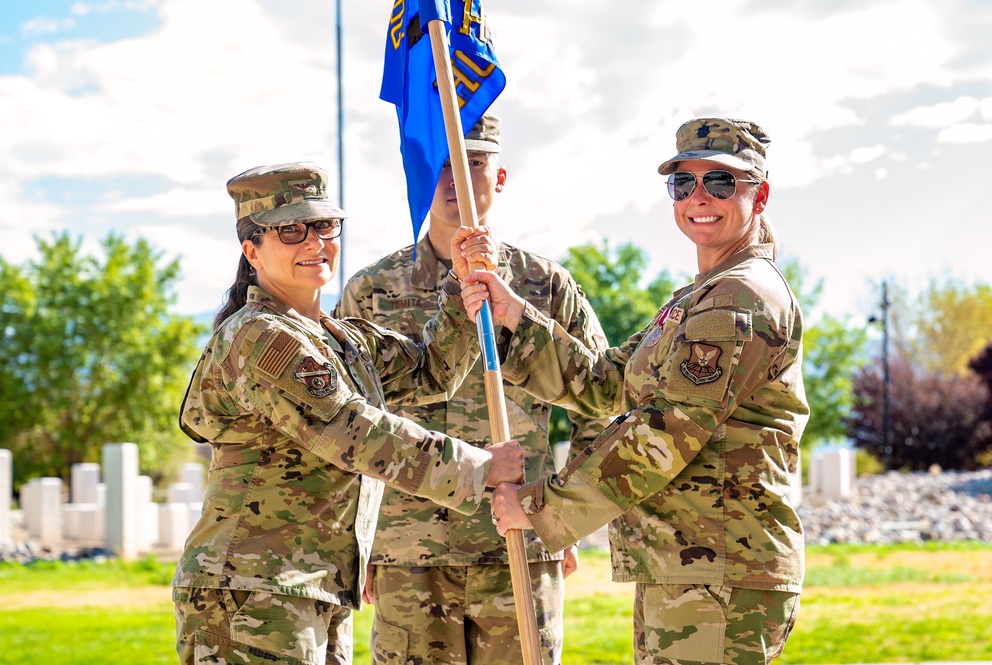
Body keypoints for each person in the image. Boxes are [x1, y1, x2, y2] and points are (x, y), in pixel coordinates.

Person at [461, 118, 809, 665]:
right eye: (683, 183)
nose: (699, 197)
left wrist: (539, 505)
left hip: (719, 568)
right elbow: (607, 386)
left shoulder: (736, 299)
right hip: (690, 561)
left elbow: (666, 434)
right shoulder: (698, 298)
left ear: (758, 194)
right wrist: (513, 317)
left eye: (720, 182)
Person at [172, 162, 525, 665]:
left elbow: (433, 371)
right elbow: (356, 432)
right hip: (251, 592)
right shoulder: (260, 337)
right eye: (290, 230)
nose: (314, 242)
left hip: (311, 588)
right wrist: (481, 468)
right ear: (251, 250)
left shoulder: (340, 339)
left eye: (323, 226)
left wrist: (460, 286)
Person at [334, 113, 611, 664]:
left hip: (518, 544)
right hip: (408, 551)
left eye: (474, 162)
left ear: (500, 177)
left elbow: (600, 401)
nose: (455, 177)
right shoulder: (372, 290)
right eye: (439, 163)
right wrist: (357, 539)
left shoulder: (544, 285)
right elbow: (347, 424)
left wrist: (566, 512)